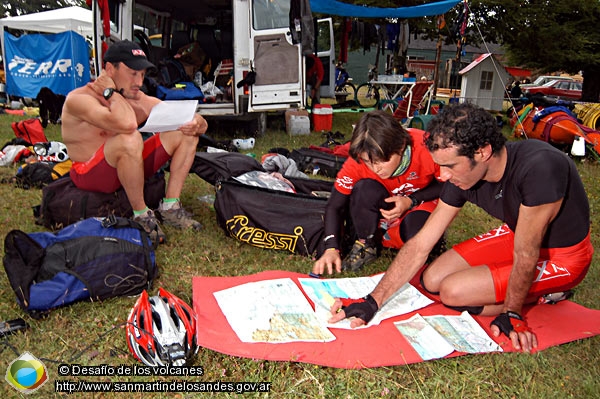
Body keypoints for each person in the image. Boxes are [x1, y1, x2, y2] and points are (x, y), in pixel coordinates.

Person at [329, 103, 593, 353]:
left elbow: (526, 254)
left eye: (449, 166)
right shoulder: (460, 177)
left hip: (564, 256)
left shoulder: (540, 168)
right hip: (515, 234)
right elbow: (422, 243)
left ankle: (547, 292)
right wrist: (372, 301)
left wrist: (511, 313)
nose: (441, 176)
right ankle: (524, 291)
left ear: (482, 152)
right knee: (431, 279)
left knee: (453, 292)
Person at [61, 40, 208, 243]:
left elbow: (186, 116)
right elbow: (126, 124)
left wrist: (199, 125)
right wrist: (110, 93)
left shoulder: (135, 97)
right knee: (129, 138)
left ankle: (170, 207)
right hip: (89, 173)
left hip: (122, 164)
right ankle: (141, 215)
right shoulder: (79, 99)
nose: (139, 82)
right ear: (110, 69)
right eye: (133, 73)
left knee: (185, 132)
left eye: (142, 74)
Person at [312, 110, 444, 273]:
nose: (376, 169)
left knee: (420, 236)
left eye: (383, 161)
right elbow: (334, 206)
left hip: (420, 202)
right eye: (369, 162)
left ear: (401, 146)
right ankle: (368, 244)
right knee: (363, 189)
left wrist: (412, 200)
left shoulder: (428, 146)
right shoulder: (357, 161)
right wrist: (331, 248)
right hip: (384, 204)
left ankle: (408, 237)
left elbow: (448, 186)